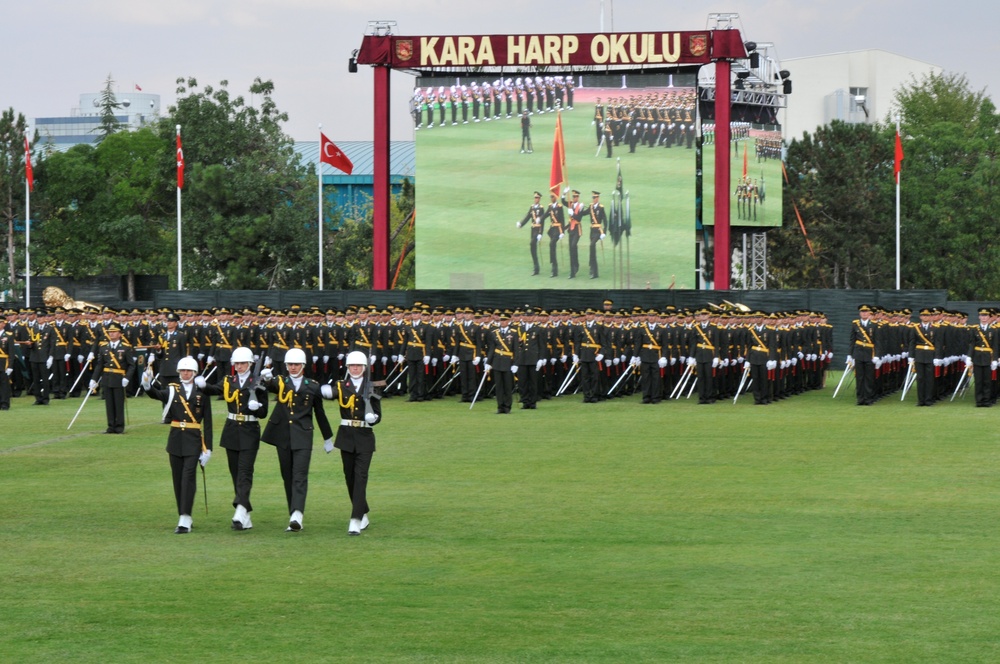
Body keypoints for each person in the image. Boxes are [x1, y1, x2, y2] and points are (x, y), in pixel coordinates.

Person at [260, 347, 334, 532]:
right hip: (282, 435)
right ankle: (292, 513)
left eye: (296, 364)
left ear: (303, 366)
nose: (293, 367)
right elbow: (270, 386)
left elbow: (320, 413)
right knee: (287, 477)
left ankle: (297, 515)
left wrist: (328, 437)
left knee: (300, 476)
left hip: (303, 435)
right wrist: (266, 378)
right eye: (290, 364)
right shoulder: (281, 381)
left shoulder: (313, 386)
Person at [142, 356, 213, 534]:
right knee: (177, 480)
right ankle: (183, 513)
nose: (185, 373)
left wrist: (208, 449)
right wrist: (147, 384)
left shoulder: (202, 392)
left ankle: (185, 517)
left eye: (188, 371)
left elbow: (209, 422)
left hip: (193, 440)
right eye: (182, 370)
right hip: (175, 440)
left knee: (188, 478)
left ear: (195, 373)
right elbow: (157, 395)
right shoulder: (173, 390)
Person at [199, 346, 268, 530]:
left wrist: (257, 408)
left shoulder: (258, 381)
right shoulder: (229, 380)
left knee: (245, 472)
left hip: (249, 430)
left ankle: (239, 509)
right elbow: (214, 390)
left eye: (243, 363)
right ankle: (245, 514)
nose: (239, 366)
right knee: (235, 473)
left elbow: (264, 412)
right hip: (231, 431)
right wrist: (203, 385)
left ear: (250, 364)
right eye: (236, 363)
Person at [320, 350, 382, 535]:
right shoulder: (341, 386)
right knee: (350, 477)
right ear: (348, 368)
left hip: (364, 436)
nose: (355, 369)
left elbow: (378, 415)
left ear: (364, 368)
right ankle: (362, 512)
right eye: (352, 366)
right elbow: (330, 393)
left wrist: (373, 418)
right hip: (346, 436)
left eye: (358, 366)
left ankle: (355, 519)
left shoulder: (372, 386)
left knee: (361, 476)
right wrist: (322, 391)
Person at [89, 322, 135, 434]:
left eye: (114, 332)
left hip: (119, 378)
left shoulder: (126, 347)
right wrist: (94, 379)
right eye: (110, 332)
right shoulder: (104, 347)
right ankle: (111, 426)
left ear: (120, 334)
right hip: (107, 378)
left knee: (118, 403)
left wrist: (127, 378)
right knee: (109, 404)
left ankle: (119, 426)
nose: (112, 334)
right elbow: (100, 365)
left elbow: (131, 365)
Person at [484, 314, 517, 414]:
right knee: (499, 387)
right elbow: (492, 349)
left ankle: (507, 407)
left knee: (507, 386)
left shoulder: (514, 333)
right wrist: (488, 362)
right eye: (501, 320)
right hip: (497, 362)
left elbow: (516, 350)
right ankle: (500, 407)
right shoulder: (494, 333)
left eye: (504, 320)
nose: (502, 322)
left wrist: (515, 363)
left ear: (508, 321)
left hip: (508, 362)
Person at [517, 191, 545, 276]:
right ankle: (536, 268)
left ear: (539, 199)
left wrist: (541, 233)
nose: (535, 199)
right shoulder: (532, 207)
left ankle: (536, 268)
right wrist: (521, 224)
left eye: (537, 198)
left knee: (532, 243)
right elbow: (527, 217)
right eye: (534, 198)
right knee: (532, 249)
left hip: (537, 230)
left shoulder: (541, 208)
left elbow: (542, 222)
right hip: (532, 230)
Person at [582, 191, 607, 279]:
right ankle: (593, 269)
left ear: (598, 198)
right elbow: (583, 213)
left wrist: (604, 232)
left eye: (595, 197)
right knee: (592, 250)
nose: (594, 199)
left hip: (598, 231)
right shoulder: (591, 207)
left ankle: (594, 271)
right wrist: (580, 208)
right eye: (593, 198)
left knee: (592, 245)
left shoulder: (601, 208)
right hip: (592, 231)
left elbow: (605, 220)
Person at [546, 192, 564, 278]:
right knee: (552, 247)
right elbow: (545, 215)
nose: (551, 198)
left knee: (551, 244)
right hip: (552, 230)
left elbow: (562, 220)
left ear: (555, 197)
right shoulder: (550, 206)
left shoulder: (559, 207)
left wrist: (562, 232)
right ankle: (554, 266)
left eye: (552, 196)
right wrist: (539, 219)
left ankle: (554, 266)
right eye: (550, 196)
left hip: (558, 229)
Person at [0, 314, 13, 410]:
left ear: (4, 324)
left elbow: (11, 352)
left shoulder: (8, 335)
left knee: (4, 384)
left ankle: (5, 403)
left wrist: (10, 366)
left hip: (4, 362)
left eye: (0, 322)